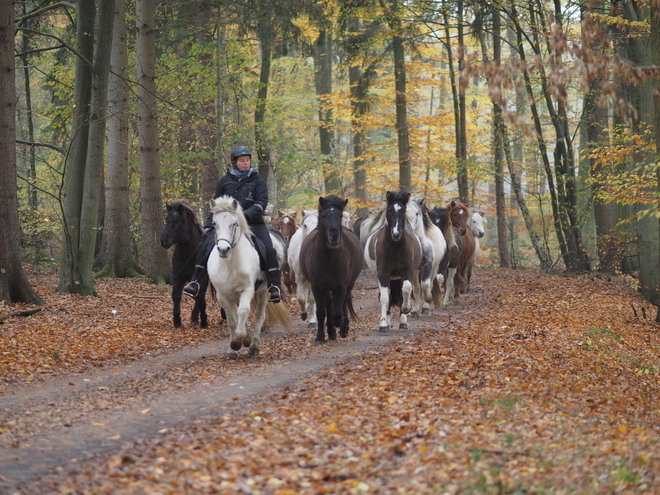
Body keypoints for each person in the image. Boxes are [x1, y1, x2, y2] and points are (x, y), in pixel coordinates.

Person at [183, 146, 282, 303]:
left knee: (268, 248)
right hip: (226, 224)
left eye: (247, 160)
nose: (245, 163)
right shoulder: (225, 181)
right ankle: (195, 282)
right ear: (235, 162)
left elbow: (261, 202)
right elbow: (216, 204)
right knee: (206, 246)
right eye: (242, 161)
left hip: (252, 222)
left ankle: (275, 286)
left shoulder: (257, 180)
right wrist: (209, 224)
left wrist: (243, 216)